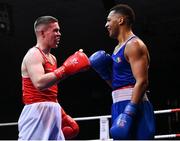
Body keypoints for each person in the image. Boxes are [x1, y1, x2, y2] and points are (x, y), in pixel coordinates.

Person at [89, 4, 156, 140]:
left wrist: (129, 111)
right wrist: (105, 74)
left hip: (135, 105)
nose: (106, 25)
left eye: (109, 20)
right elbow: (117, 85)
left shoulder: (134, 45)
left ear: (120, 20)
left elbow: (142, 81)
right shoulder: (116, 49)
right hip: (118, 104)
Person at [18, 15, 90, 140]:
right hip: (36, 111)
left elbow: (51, 89)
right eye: (55, 30)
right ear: (42, 33)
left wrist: (61, 113)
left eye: (59, 30)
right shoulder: (34, 54)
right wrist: (66, 68)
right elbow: (39, 83)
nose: (59, 34)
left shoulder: (52, 58)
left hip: (52, 109)